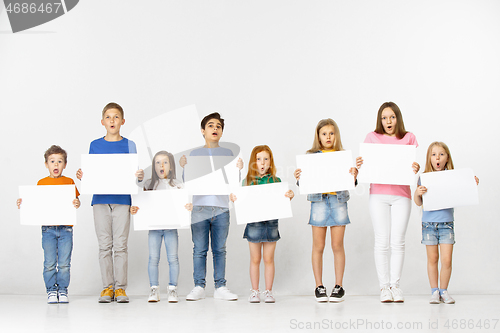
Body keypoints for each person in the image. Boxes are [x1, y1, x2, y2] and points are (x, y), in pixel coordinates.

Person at [356, 102, 420, 303]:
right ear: (380, 119)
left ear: (398, 118)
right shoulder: (372, 138)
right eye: (384, 118)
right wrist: (359, 165)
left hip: (402, 194)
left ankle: (395, 286)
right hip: (378, 195)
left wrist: (416, 167)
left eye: (392, 117)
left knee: (398, 242)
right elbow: (365, 168)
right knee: (382, 241)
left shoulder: (409, 138)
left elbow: (413, 170)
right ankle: (384, 288)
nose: (388, 121)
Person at [76, 102, 139, 303]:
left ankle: (120, 289)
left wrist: (138, 174)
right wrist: (82, 175)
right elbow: (92, 172)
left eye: (116, 117)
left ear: (123, 121)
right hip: (100, 200)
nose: (112, 120)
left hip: (122, 200)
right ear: (102, 122)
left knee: (120, 245)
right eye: (108, 117)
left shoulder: (130, 145)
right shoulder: (95, 145)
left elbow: (134, 175)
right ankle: (107, 288)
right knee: (104, 245)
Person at [179, 112, 243, 301]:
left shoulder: (228, 154)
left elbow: (233, 183)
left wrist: (238, 170)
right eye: (211, 126)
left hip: (221, 207)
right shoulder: (195, 154)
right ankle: (199, 286)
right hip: (199, 207)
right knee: (199, 249)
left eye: (218, 127)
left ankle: (220, 286)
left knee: (219, 249)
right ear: (203, 130)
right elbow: (187, 182)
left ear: (221, 132)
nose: (215, 129)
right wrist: (184, 167)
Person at [294, 119, 358, 302]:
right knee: (318, 246)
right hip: (319, 201)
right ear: (318, 136)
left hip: (338, 200)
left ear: (336, 135)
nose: (328, 137)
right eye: (324, 134)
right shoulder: (311, 156)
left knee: (337, 245)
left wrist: (354, 176)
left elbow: (350, 183)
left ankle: (339, 286)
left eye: (331, 133)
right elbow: (305, 184)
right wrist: (299, 178)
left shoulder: (342, 156)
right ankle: (319, 286)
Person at [414, 142, 479, 304]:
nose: (437, 157)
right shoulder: (424, 178)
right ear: (429, 158)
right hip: (428, 224)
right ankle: (434, 291)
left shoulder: (452, 177)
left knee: (447, 260)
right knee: (433, 259)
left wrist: (472, 183)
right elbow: (417, 202)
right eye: (434, 154)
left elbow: (464, 190)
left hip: (446, 224)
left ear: (447, 157)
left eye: (441, 154)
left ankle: (444, 291)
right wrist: (417, 192)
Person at [230, 145, 294, 303]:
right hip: (254, 225)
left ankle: (269, 292)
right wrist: (235, 198)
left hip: (271, 225)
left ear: (270, 162)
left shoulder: (276, 181)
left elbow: (282, 199)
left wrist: (289, 196)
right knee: (255, 259)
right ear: (253, 162)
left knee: (269, 259)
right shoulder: (248, 182)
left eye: (266, 159)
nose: (262, 162)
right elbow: (242, 200)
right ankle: (255, 291)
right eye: (259, 159)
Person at [17, 145, 80, 304]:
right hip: (48, 229)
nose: (56, 164)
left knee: (64, 263)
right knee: (50, 263)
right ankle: (51, 290)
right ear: (46, 164)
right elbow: (35, 203)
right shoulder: (41, 183)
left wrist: (77, 202)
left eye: (60, 161)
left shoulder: (69, 181)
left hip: (66, 229)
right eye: (52, 161)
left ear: (65, 164)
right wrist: (23, 203)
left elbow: (75, 201)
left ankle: (63, 290)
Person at [130, 150, 193, 303]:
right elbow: (141, 203)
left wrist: (188, 206)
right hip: (154, 228)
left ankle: (172, 289)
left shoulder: (177, 185)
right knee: (153, 258)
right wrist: (135, 209)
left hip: (171, 227)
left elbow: (184, 202)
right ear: (154, 166)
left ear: (171, 166)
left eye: (165, 162)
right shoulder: (148, 184)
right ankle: (154, 289)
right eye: (158, 162)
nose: (161, 165)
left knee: (173, 258)